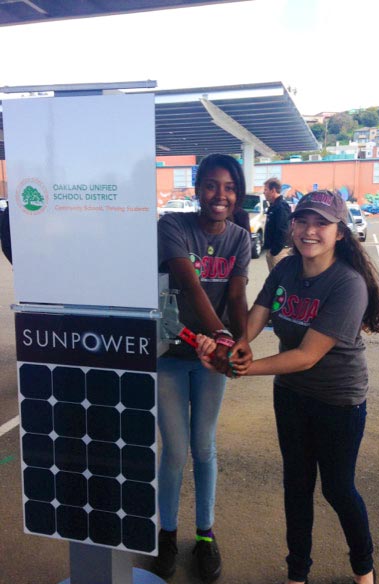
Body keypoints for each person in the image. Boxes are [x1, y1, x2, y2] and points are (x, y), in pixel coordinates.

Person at [197, 190, 379, 584]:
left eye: (322, 223)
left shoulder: (348, 284)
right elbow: (257, 315)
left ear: (340, 233)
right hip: (291, 397)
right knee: (296, 486)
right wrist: (235, 345)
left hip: (338, 402)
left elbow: (307, 356)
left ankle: (364, 569)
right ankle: (297, 574)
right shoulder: (286, 268)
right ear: (293, 225)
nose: (309, 231)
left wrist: (240, 369)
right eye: (303, 221)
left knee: (338, 489)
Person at [154, 153, 252, 582]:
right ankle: (167, 535)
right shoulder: (173, 226)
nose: (220, 195)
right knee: (175, 450)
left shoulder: (240, 238)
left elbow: (236, 296)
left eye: (229, 187)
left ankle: (205, 535)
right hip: (170, 356)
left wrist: (240, 343)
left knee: (204, 447)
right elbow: (190, 286)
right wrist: (224, 335)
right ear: (197, 189)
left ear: (238, 193)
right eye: (211, 185)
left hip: (212, 360)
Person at [263, 177, 292, 271]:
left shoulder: (281, 207)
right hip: (273, 250)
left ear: (273, 190)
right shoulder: (273, 206)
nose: (264, 192)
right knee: (273, 278)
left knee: (280, 278)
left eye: (266, 190)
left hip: (279, 252)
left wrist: (274, 251)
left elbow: (283, 230)